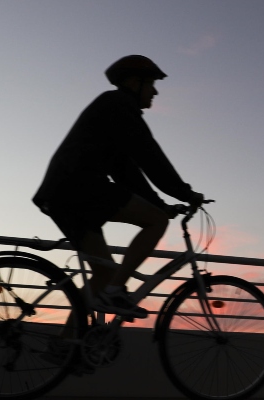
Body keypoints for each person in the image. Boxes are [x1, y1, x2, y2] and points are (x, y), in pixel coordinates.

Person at [33, 55, 204, 320]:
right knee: (156, 222)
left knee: (104, 272)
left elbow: (127, 172)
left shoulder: (112, 110)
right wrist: (184, 193)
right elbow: (150, 157)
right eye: (152, 84)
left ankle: (66, 345)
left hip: (61, 194)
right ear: (135, 83)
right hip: (78, 188)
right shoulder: (119, 105)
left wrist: (160, 203)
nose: (156, 91)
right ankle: (115, 292)